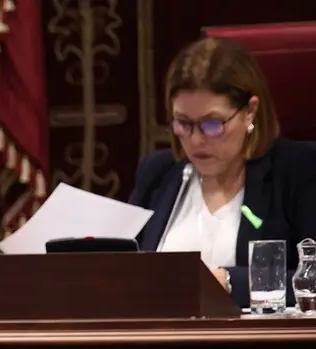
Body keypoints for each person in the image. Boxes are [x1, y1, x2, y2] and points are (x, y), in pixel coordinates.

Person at [129, 36, 316, 307]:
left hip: (259, 346)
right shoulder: (157, 173)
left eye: (212, 124)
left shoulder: (299, 171)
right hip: (158, 345)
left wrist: (228, 282)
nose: (196, 141)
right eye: (184, 123)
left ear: (250, 111)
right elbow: (125, 273)